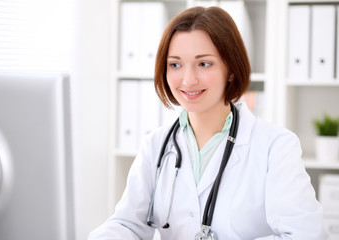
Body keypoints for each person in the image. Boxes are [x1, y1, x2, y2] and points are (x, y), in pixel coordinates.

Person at [88, 6, 326, 240]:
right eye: (175, 64)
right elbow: (127, 224)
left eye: (204, 64)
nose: (188, 80)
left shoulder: (275, 146)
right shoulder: (155, 146)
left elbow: (306, 235)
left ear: (231, 70)